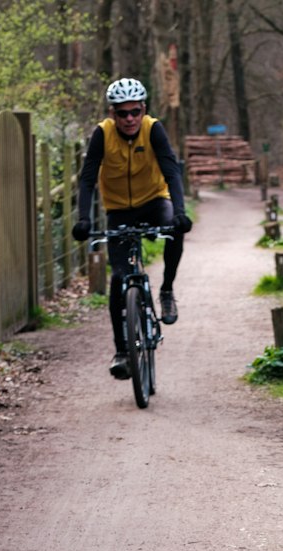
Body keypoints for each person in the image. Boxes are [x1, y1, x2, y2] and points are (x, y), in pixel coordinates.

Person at [72, 78, 192, 379]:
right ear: (112, 113)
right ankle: (122, 352)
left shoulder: (154, 129)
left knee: (176, 230)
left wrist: (179, 212)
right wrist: (84, 218)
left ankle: (166, 290)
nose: (129, 119)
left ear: (143, 110)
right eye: (122, 113)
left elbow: (171, 171)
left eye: (134, 112)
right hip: (118, 210)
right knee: (119, 280)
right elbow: (87, 178)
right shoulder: (102, 134)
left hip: (154, 201)